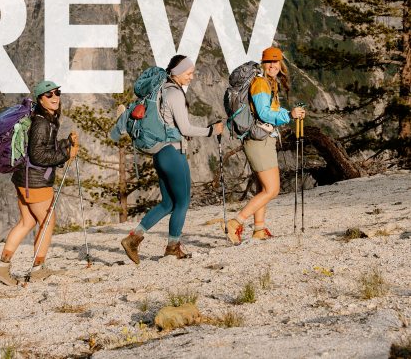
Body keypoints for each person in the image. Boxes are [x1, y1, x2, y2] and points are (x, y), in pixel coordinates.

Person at [113, 56, 223, 263]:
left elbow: (170, 125)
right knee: (182, 202)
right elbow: (186, 128)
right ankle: (173, 247)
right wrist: (211, 130)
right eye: (189, 73)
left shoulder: (161, 90)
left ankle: (133, 238)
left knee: (168, 203)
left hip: (160, 154)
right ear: (177, 72)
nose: (191, 77)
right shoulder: (174, 94)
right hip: (173, 154)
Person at [0, 80, 79, 286]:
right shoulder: (42, 123)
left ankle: (2, 267)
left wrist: (66, 143)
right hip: (36, 181)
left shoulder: (39, 119)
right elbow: (39, 155)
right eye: (49, 95)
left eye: (57, 93)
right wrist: (67, 154)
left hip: (23, 178)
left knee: (27, 222)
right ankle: (38, 267)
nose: (55, 97)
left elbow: (42, 147)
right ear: (39, 99)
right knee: (47, 221)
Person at [225, 46, 306, 244]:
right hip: (258, 140)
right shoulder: (261, 83)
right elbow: (264, 113)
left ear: (281, 64)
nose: (272, 65)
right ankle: (235, 223)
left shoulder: (268, 82)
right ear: (263, 63)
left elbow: (270, 109)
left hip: (261, 138)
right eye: (269, 62)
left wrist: (289, 112)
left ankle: (259, 229)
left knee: (263, 186)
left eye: (275, 62)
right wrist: (288, 115)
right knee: (272, 189)